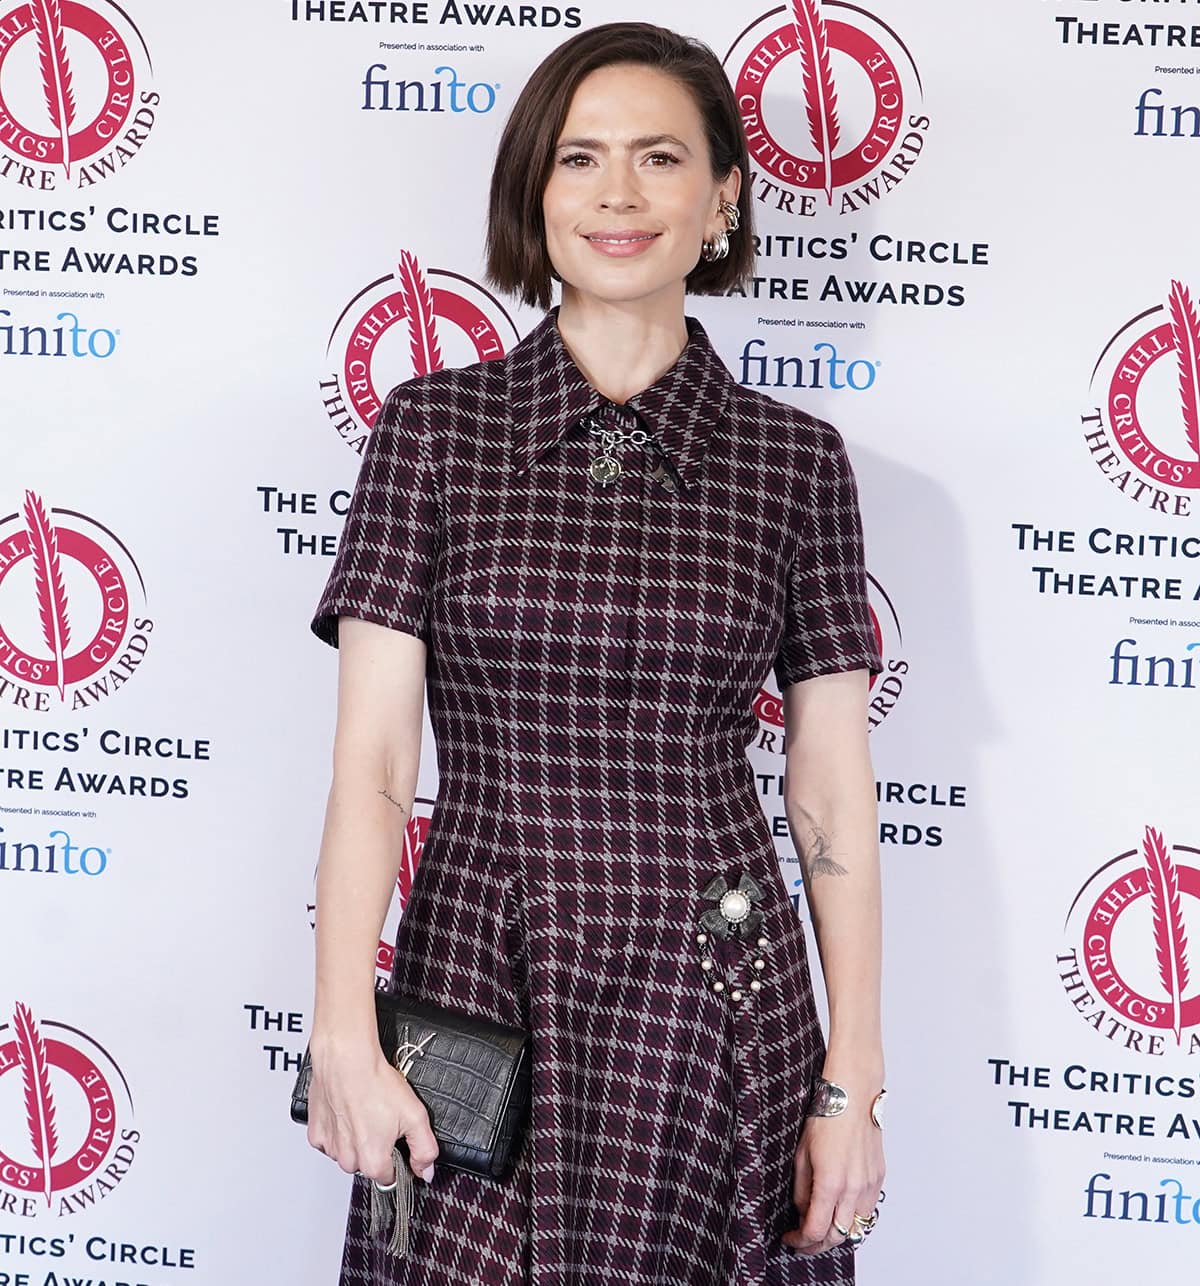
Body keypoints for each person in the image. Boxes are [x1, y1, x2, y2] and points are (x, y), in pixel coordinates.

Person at [304, 20, 886, 1286]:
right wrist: (342, 1029)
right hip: (483, 966)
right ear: (536, 189)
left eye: (661, 158)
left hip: (718, 989)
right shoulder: (434, 434)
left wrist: (854, 1078)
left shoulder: (796, 463)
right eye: (580, 159)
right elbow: (374, 762)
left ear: (723, 192)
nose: (618, 195)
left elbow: (831, 787)